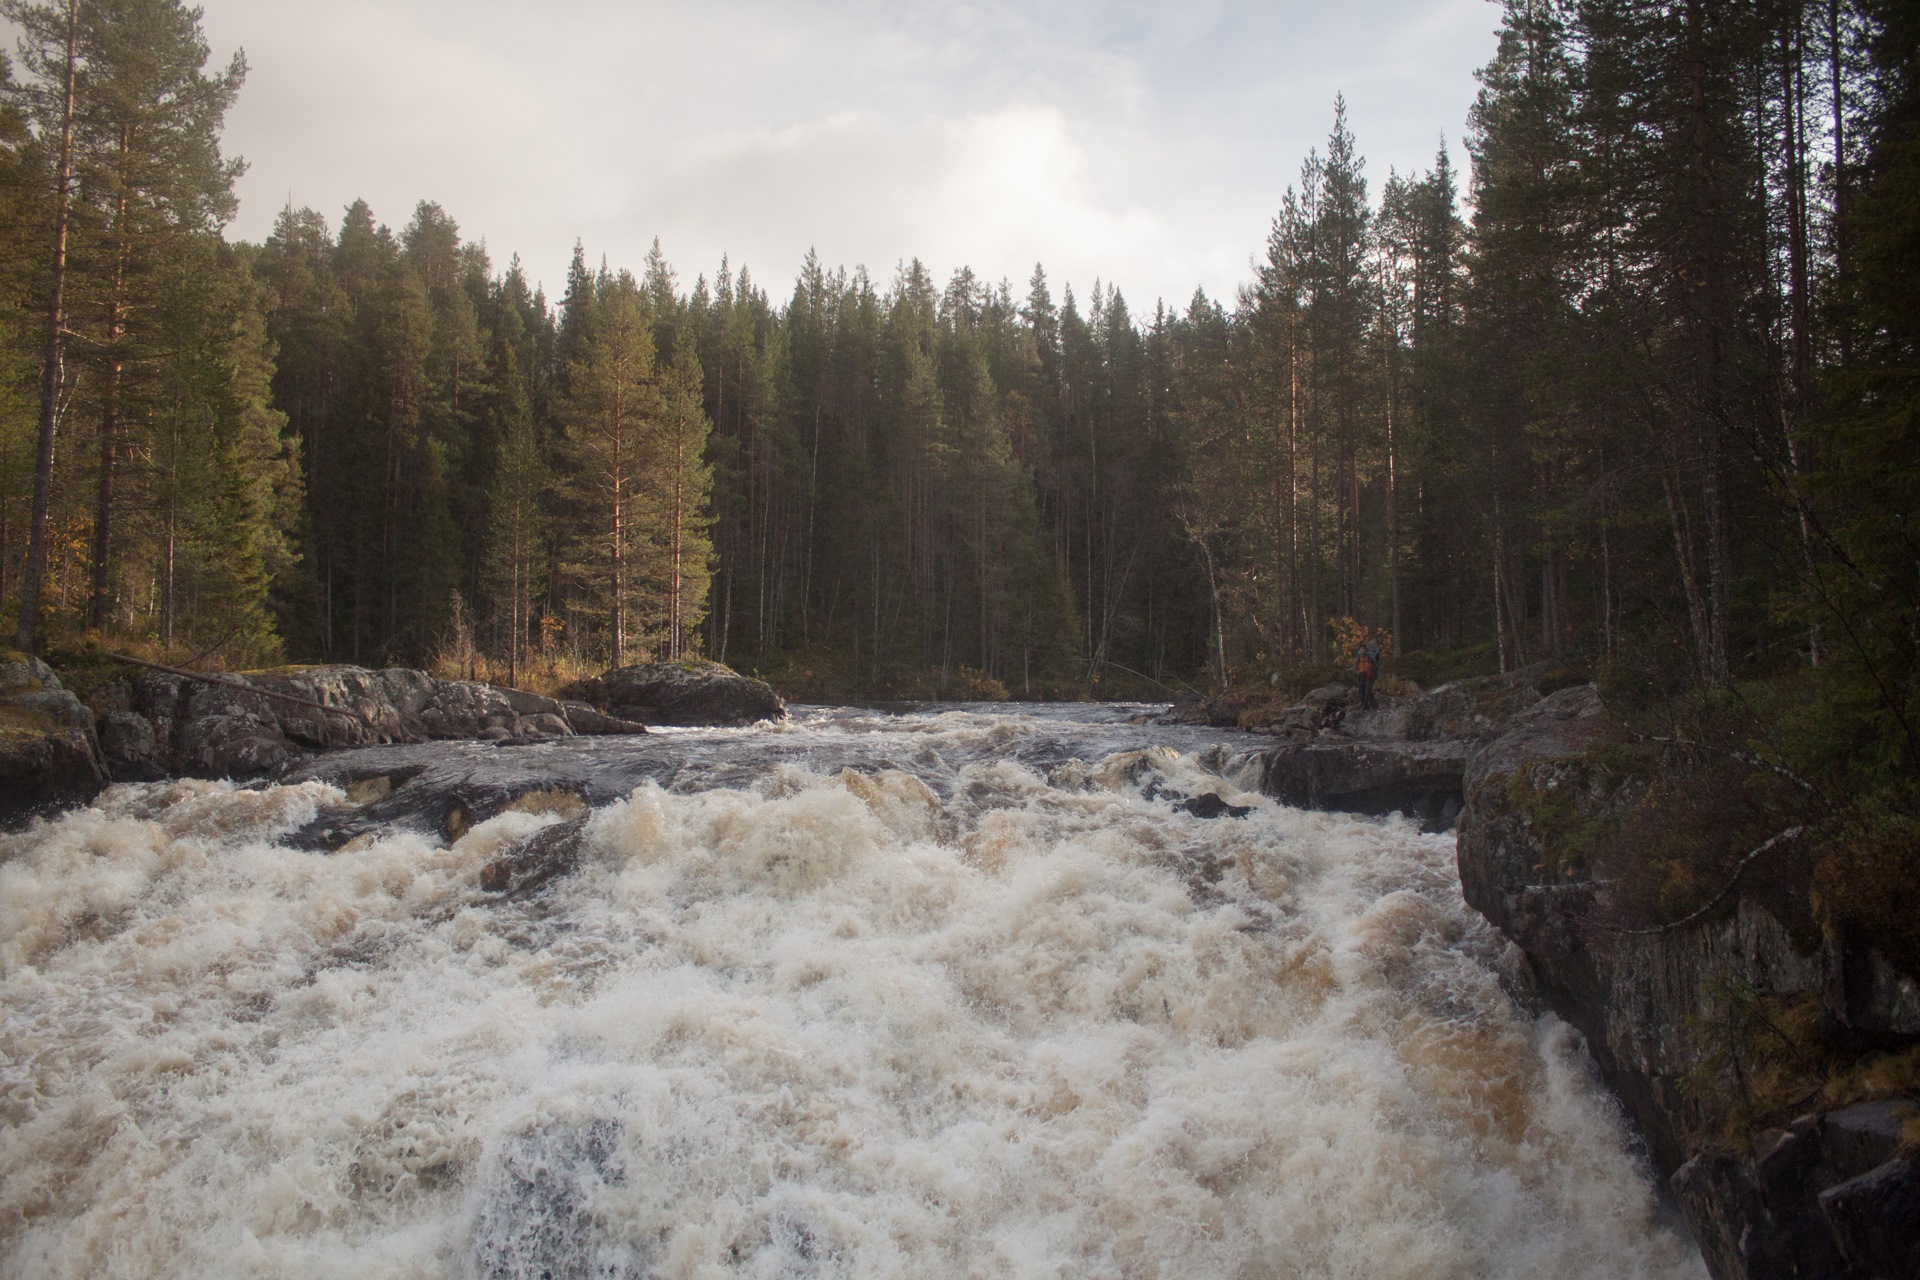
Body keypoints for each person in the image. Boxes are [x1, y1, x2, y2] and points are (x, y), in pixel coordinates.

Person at [1355, 641, 1379, 711]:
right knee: (1362, 693)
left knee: (1368, 692)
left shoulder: (1370, 658)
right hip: (1361, 678)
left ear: (1366, 650)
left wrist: (1373, 676)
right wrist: (1359, 673)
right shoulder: (1357, 659)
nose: (1362, 650)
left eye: (1363, 649)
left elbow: (1375, 668)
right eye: (1361, 649)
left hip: (1369, 678)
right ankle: (1365, 708)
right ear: (1359, 650)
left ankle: (1375, 707)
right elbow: (1355, 669)